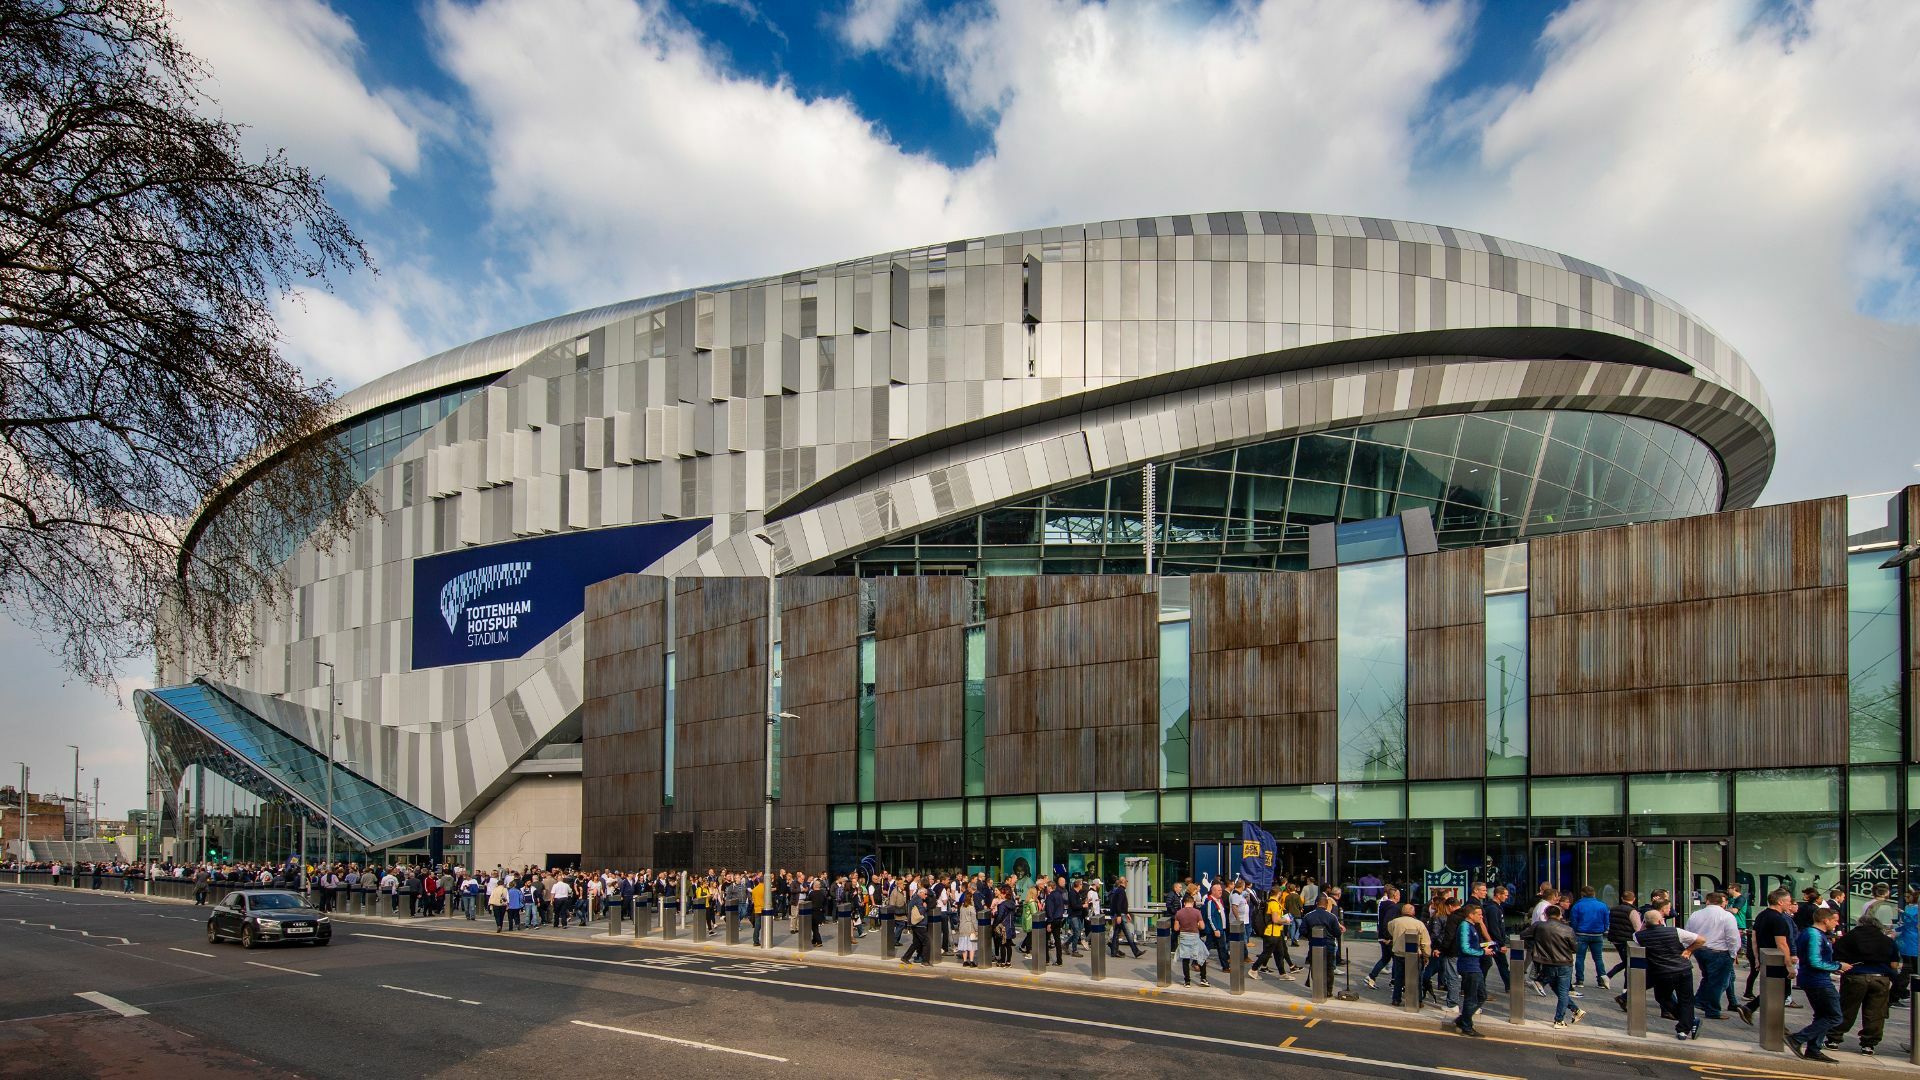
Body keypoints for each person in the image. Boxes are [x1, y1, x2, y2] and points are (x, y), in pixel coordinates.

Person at [1627, 908, 1702, 1040]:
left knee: (1663, 998)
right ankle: (1684, 1028)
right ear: (1661, 920)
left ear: (1645, 922)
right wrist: (1688, 951)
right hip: (1683, 969)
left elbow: (1638, 935)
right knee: (1686, 1000)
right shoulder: (1676, 931)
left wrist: (1644, 925)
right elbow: (1701, 940)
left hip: (1661, 972)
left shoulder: (1638, 936)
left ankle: (1687, 1022)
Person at [1832, 911, 1898, 1056]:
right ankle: (1868, 1045)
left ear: (1860, 924)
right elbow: (1894, 964)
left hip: (1855, 976)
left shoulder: (1850, 937)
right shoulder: (1886, 940)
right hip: (1880, 978)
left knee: (1847, 1008)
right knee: (1875, 1013)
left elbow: (1837, 955)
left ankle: (1834, 1039)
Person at [1787, 907, 1843, 1062]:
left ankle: (1813, 1049)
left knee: (1822, 1015)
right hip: (1818, 981)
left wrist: (1834, 966)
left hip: (1812, 979)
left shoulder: (1810, 933)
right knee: (1834, 1016)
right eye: (1835, 920)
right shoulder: (1814, 935)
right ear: (1825, 920)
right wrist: (1838, 966)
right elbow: (1814, 961)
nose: (1837, 924)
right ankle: (1797, 1039)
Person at [1740, 888, 1801, 1022]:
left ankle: (1754, 1010)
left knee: (1773, 989)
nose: (1790, 905)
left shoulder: (1762, 915)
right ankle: (1754, 1010)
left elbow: (1754, 939)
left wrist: (1757, 958)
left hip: (1765, 957)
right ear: (1780, 902)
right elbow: (1782, 944)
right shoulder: (1779, 919)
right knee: (1780, 991)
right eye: (1788, 902)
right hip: (1777, 959)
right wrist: (1789, 965)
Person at [1522, 903, 1584, 1027]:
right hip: (1564, 963)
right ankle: (1559, 1020)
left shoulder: (1538, 926)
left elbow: (1523, 935)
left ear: (1545, 914)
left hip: (1547, 963)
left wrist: (1537, 942)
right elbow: (1575, 948)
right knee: (1562, 993)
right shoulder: (1568, 929)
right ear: (1560, 915)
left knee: (1558, 990)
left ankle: (1575, 1010)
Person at [1685, 891, 1741, 1021]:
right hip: (1719, 951)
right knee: (1718, 982)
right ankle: (1712, 1009)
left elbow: (1688, 932)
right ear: (1723, 903)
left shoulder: (1696, 914)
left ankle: (1699, 1000)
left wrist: (1689, 949)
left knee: (1708, 978)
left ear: (1708, 901)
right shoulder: (1726, 916)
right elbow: (1732, 937)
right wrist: (1733, 953)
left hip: (1700, 949)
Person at [1454, 904, 1491, 1036]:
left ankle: (1462, 1020)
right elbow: (1465, 948)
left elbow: (1472, 945)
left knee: (1482, 995)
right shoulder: (1465, 926)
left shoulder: (1472, 926)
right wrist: (1482, 952)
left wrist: (1485, 947)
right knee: (1471, 997)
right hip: (1468, 967)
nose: (1481, 917)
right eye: (1479, 914)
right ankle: (1466, 1026)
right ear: (1471, 915)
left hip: (1475, 966)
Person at [1383, 902, 1430, 1007]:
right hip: (1414, 954)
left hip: (1398, 954)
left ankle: (1396, 999)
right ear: (1413, 912)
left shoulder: (1394, 922)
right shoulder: (1419, 924)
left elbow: (1390, 930)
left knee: (1398, 978)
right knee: (1415, 979)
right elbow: (1425, 942)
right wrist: (1426, 955)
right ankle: (1417, 1000)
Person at [1568, 885, 1611, 990]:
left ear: (1582, 894)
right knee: (1598, 958)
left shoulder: (1577, 906)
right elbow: (1607, 921)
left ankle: (1580, 980)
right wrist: (1603, 929)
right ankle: (1601, 980)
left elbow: (1573, 921)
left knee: (1580, 958)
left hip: (1582, 934)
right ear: (1594, 893)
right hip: (1597, 935)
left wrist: (1575, 931)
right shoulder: (1602, 905)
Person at [1365, 885, 1401, 989]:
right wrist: (1388, 937)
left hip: (1383, 936)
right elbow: (1387, 922)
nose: (1400, 896)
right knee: (1396, 959)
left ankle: (1371, 977)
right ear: (1394, 896)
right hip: (1387, 938)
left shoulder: (1384, 904)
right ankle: (1394, 981)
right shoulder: (1392, 906)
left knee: (1386, 958)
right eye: (1398, 894)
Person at [1173, 895, 1209, 987]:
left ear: (1184, 903)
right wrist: (1196, 925)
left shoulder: (1179, 913)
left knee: (1185, 959)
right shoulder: (1197, 912)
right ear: (1193, 903)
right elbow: (1202, 926)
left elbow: (1176, 928)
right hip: (1194, 937)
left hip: (1184, 936)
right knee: (1202, 956)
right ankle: (1203, 979)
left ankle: (1187, 981)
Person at [1106, 878, 1144, 959]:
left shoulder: (1119, 890)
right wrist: (1120, 915)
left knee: (1116, 933)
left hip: (1121, 914)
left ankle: (1114, 951)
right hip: (1120, 915)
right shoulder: (1121, 891)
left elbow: (1122, 904)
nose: (1127, 883)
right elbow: (1119, 904)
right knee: (1128, 934)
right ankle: (1135, 951)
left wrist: (1126, 913)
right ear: (1123, 882)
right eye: (1126, 881)